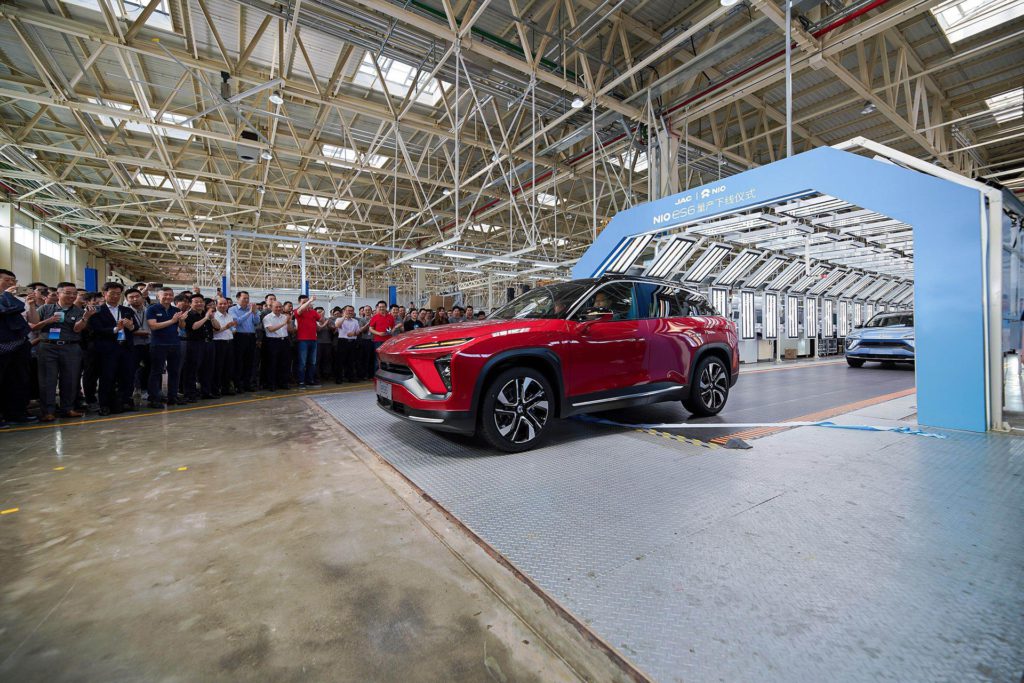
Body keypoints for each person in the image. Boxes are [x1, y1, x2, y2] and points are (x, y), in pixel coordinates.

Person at [34, 281, 86, 421]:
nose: (72, 296)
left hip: (71, 347)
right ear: (58, 294)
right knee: (47, 380)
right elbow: (34, 326)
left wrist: (86, 317)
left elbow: (77, 329)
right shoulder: (46, 309)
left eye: (74, 294)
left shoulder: (80, 311)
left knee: (70, 379)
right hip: (48, 347)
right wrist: (48, 321)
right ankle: (48, 411)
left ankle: (68, 408)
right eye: (68, 293)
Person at [88, 281, 136, 415]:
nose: (115, 296)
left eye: (118, 294)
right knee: (107, 378)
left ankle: (124, 401)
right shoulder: (97, 311)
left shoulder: (127, 310)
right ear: (104, 294)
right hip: (107, 350)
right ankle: (104, 404)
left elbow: (135, 327)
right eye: (112, 293)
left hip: (125, 349)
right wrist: (115, 329)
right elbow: (95, 330)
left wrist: (130, 326)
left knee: (126, 376)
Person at [0, 269, 39, 427]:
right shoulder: (8, 299)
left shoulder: (18, 300)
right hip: (2, 346)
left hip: (19, 344)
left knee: (19, 380)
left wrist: (31, 305)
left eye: (13, 280)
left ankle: (16, 413)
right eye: (7, 280)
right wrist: (7, 296)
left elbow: (34, 321)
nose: (12, 283)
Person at [146, 287, 186, 409]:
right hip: (158, 344)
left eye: (170, 295)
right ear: (158, 296)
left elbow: (182, 327)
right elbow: (153, 326)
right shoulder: (152, 309)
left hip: (174, 344)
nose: (168, 297)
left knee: (174, 371)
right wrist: (172, 320)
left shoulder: (176, 309)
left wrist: (181, 320)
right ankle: (154, 398)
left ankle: (172, 397)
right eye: (165, 295)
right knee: (156, 372)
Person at [182, 294, 215, 402]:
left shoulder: (206, 314)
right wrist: (206, 318)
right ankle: (190, 394)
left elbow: (217, 327)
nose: (199, 304)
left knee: (207, 369)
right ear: (191, 303)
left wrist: (211, 318)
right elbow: (194, 327)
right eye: (196, 302)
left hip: (208, 344)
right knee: (192, 370)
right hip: (194, 344)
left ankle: (205, 392)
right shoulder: (188, 315)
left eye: (201, 301)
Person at [230, 291, 258, 392]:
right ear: (238, 299)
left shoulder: (251, 309)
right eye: (244, 298)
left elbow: (256, 322)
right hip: (239, 337)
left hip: (251, 336)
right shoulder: (232, 309)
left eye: (247, 298)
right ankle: (238, 384)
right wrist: (249, 312)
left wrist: (254, 313)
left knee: (250, 362)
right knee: (239, 362)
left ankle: (248, 384)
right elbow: (236, 322)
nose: (246, 300)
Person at [126, 288, 150, 401]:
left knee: (149, 368)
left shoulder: (150, 310)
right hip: (133, 344)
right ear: (127, 300)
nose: (135, 299)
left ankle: (147, 390)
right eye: (131, 297)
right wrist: (141, 332)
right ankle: (132, 390)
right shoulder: (125, 312)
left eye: (137, 296)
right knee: (132, 368)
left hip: (149, 343)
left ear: (142, 297)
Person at [293, 294, 322, 388]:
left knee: (312, 362)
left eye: (307, 302)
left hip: (313, 340)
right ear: (299, 303)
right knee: (302, 362)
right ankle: (301, 381)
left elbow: (320, 319)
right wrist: (310, 301)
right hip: (303, 340)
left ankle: (310, 380)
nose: (306, 304)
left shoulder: (313, 312)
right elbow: (300, 310)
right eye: (303, 302)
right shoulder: (297, 311)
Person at [262, 300, 291, 391]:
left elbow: (290, 330)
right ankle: (271, 384)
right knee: (272, 363)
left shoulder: (284, 317)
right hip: (272, 342)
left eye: (280, 307)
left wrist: (289, 322)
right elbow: (271, 329)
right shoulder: (267, 317)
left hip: (284, 341)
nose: (279, 309)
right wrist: (283, 323)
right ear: (271, 307)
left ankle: (283, 383)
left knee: (284, 363)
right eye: (276, 307)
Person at [211, 296, 236, 397]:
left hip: (229, 342)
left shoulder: (229, 315)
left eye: (225, 304)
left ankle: (226, 388)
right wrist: (226, 327)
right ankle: (216, 389)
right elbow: (213, 332)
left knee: (228, 367)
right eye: (220, 304)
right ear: (216, 305)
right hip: (218, 343)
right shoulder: (213, 316)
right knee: (218, 368)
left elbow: (231, 329)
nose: (223, 306)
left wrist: (233, 329)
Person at [335, 305, 360, 383]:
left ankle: (351, 377)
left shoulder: (355, 321)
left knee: (351, 361)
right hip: (343, 341)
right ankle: (339, 378)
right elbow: (337, 325)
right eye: (348, 310)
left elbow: (358, 332)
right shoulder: (339, 319)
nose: (350, 312)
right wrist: (344, 317)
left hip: (352, 342)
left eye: (351, 310)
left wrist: (354, 333)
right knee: (340, 361)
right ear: (344, 311)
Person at [368, 301, 394, 374]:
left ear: (386, 307)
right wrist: (379, 333)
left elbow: (391, 328)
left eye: (383, 307)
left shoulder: (390, 317)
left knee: (388, 358)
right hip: (378, 341)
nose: (381, 308)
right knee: (378, 359)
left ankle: (387, 374)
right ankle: (377, 374)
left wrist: (389, 332)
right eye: (380, 307)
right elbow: (370, 328)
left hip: (388, 341)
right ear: (378, 308)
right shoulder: (375, 317)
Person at [317, 307, 337, 384]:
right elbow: (318, 329)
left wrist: (327, 323)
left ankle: (326, 375)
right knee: (318, 360)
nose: (320, 313)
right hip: (318, 342)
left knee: (327, 360)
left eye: (321, 311)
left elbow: (333, 329)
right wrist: (322, 322)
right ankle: (318, 376)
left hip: (327, 343)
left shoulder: (328, 320)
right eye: (318, 312)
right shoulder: (315, 319)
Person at [356, 305, 373, 380]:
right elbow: (361, 330)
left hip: (373, 340)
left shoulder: (374, 318)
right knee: (365, 358)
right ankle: (364, 375)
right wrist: (368, 323)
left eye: (369, 310)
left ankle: (371, 375)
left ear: (371, 311)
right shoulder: (362, 320)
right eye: (366, 310)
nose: (367, 311)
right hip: (365, 340)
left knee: (372, 358)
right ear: (363, 311)